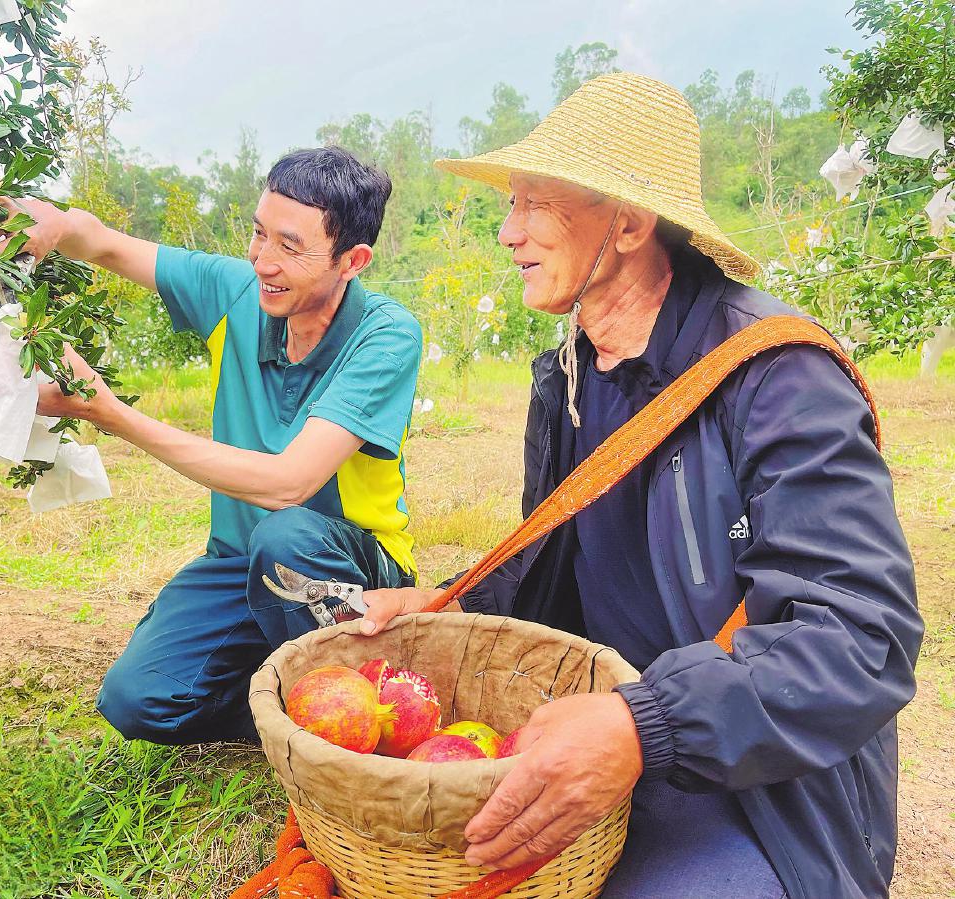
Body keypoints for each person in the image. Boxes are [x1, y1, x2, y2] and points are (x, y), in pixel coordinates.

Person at [359, 73, 923, 899]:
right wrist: (450, 602)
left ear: (627, 223)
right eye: (511, 203)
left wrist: (643, 724)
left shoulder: (780, 377)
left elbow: (860, 637)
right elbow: (555, 566)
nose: (509, 232)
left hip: (757, 787)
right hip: (607, 725)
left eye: (535, 203)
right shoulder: (567, 375)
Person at [4, 146, 422, 744]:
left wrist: (110, 413)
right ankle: (290, 706)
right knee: (137, 702)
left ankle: (359, 703)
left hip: (349, 563)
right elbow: (104, 244)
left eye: (290, 246)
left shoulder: (385, 334)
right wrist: (56, 224)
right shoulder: (236, 295)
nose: (263, 260)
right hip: (239, 560)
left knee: (286, 534)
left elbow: (290, 483)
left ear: (351, 261)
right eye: (259, 233)